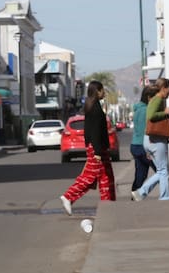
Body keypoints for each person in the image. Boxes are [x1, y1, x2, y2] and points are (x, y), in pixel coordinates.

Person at [58, 79, 116, 214]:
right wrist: (97, 151)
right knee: (91, 177)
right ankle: (69, 196)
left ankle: (109, 205)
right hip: (97, 149)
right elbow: (95, 131)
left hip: (99, 148)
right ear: (98, 91)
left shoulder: (93, 106)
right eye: (102, 90)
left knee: (106, 177)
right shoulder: (95, 109)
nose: (104, 93)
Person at [132, 78, 169, 201]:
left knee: (161, 170)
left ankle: (142, 192)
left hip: (150, 140)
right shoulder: (158, 99)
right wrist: (165, 113)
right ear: (164, 88)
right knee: (163, 170)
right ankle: (162, 196)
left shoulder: (156, 100)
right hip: (156, 140)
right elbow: (151, 116)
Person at [130, 83, 157, 192]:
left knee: (141, 174)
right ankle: (141, 192)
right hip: (143, 146)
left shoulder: (138, 109)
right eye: (155, 98)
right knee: (161, 171)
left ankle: (135, 193)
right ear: (149, 97)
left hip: (136, 145)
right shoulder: (146, 110)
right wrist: (148, 150)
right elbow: (144, 130)